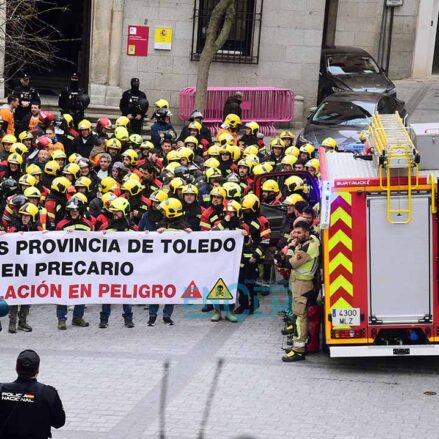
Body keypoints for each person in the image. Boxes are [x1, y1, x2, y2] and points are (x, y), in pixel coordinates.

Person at [0, 350, 66, 438]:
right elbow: (59, 422)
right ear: (37, 370)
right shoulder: (48, 393)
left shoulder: (2, 389)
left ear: (16, 368)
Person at [148, 198, 191, 326]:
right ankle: (152, 316)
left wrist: (186, 232)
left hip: (174, 265)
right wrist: (160, 231)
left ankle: (167, 316)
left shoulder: (184, 226)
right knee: (155, 290)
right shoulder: (161, 223)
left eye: (165, 211)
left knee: (171, 290)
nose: (162, 213)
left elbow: (189, 235)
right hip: (160, 264)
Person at [282, 221, 320, 363]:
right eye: (294, 232)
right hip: (302, 284)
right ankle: (302, 345)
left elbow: (289, 263)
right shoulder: (311, 240)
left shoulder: (308, 246)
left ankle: (298, 350)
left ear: (306, 233)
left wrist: (291, 246)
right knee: (300, 316)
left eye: (299, 232)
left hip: (302, 285)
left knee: (300, 318)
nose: (296, 235)